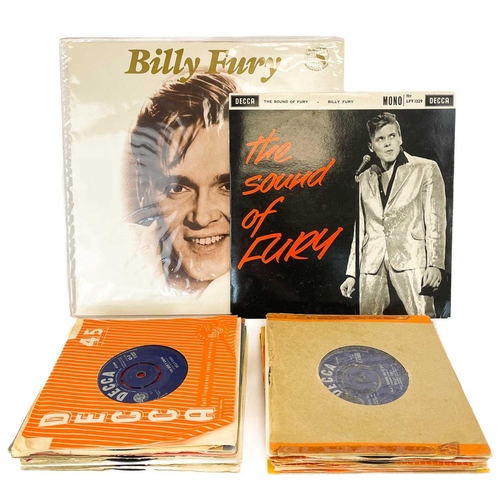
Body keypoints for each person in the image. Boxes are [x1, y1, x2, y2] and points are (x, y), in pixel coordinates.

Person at [124, 73, 238, 298]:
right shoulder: (110, 266)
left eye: (227, 186)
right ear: (146, 191)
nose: (202, 217)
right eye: (177, 188)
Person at [340, 112, 446, 317]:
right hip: (372, 262)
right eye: (380, 139)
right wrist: (352, 273)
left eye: (392, 136)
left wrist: (435, 264)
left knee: (423, 321)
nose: (387, 143)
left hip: (412, 258)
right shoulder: (364, 178)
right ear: (371, 146)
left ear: (400, 138)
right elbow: (360, 228)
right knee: (369, 327)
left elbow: (436, 220)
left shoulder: (425, 168)